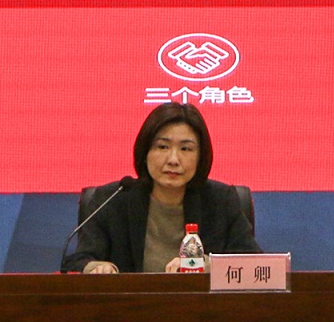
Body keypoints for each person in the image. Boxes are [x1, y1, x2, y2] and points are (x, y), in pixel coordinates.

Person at [64, 102, 259, 274]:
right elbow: (77, 262)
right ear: (145, 152)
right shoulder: (111, 200)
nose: (173, 160)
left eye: (186, 149)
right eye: (163, 147)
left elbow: (254, 264)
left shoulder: (221, 201)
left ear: (201, 156)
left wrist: (207, 265)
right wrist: (95, 268)